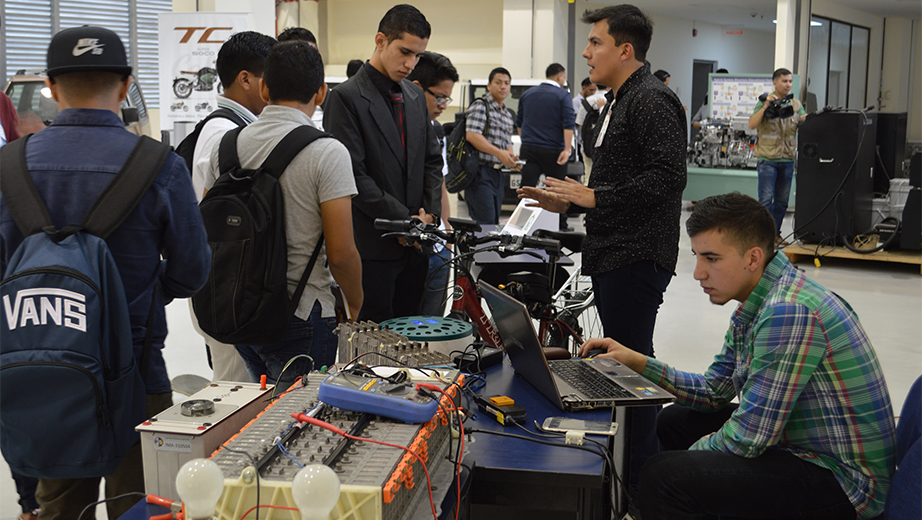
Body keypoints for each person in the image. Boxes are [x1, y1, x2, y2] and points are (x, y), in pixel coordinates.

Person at [0, 26, 210, 519]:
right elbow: (193, 270)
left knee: (57, 509)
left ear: (51, 88)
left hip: (43, 374)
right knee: (138, 505)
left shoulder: (9, 168)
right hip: (137, 373)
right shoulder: (158, 164)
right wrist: (138, 297)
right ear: (125, 85)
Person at [580, 192, 897, 520]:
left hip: (845, 484)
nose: (698, 273)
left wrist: (686, 466)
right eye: (697, 257)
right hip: (802, 445)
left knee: (665, 478)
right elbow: (714, 391)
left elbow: (749, 437)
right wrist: (639, 362)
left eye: (711, 259)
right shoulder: (759, 300)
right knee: (675, 421)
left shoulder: (787, 312)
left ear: (753, 258)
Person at [519, 4, 686, 488]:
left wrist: (595, 195)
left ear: (625, 49)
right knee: (620, 366)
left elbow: (668, 177)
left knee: (631, 371)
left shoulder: (652, 99)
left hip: (636, 255)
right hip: (615, 249)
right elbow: (620, 182)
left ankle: (638, 486)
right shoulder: (620, 99)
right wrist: (567, 200)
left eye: (596, 43)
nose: (587, 53)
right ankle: (630, 475)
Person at [209, 41, 364, 384]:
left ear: (264, 88)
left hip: (239, 312)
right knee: (301, 428)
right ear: (321, 92)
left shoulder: (226, 147)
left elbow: (208, 227)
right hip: (301, 315)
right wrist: (355, 303)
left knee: (264, 416)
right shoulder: (327, 152)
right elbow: (340, 254)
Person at [324, 4, 442, 323]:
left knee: (413, 339)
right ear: (380, 40)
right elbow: (353, 176)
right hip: (373, 248)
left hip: (417, 246)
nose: (410, 64)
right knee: (372, 350)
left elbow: (432, 160)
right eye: (404, 52)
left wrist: (429, 214)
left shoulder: (415, 98)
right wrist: (404, 221)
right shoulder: (345, 98)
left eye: (418, 55)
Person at [189, 30, 276, 383]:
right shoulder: (224, 133)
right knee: (234, 392)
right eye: (271, 79)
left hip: (230, 285)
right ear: (245, 79)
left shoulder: (237, 129)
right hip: (227, 288)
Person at [406, 51, 459, 315]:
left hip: (437, 247)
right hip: (409, 245)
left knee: (434, 328)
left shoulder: (437, 130)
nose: (443, 105)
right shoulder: (399, 131)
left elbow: (441, 185)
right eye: (439, 96)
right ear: (415, 89)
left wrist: (446, 238)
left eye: (447, 98)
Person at [748, 67, 806, 243]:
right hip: (768, 160)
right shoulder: (766, 102)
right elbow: (752, 124)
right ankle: (764, 237)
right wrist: (766, 106)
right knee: (765, 201)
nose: (788, 84)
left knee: (782, 202)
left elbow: (804, 121)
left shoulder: (795, 105)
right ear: (775, 83)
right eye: (784, 81)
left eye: (790, 81)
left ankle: (775, 235)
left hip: (787, 159)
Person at [516, 62, 576, 230]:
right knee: (558, 190)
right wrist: (566, 149)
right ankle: (560, 226)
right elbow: (568, 123)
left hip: (529, 149)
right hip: (554, 151)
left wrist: (527, 140)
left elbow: (519, 122)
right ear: (560, 77)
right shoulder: (562, 95)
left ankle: (520, 224)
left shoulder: (527, 94)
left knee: (526, 188)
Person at [464, 67, 519, 224]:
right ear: (489, 85)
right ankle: (480, 248)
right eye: (498, 82)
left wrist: (511, 157)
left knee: (494, 220)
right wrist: (499, 153)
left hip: (497, 174)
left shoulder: (507, 114)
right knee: (485, 221)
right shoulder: (481, 106)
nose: (503, 86)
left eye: (507, 83)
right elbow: (472, 135)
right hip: (480, 172)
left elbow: (507, 141)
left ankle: (489, 248)